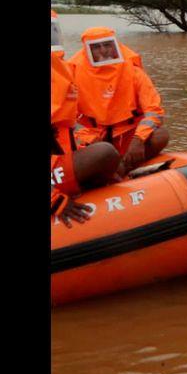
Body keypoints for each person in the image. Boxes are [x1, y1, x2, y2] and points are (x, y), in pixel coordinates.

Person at [69, 27, 171, 177]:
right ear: (86, 50)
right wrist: (92, 140)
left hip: (127, 136)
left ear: (115, 45)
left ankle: (121, 168)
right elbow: (68, 119)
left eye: (107, 45)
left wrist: (138, 139)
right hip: (92, 137)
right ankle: (114, 171)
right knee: (96, 152)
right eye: (96, 47)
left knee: (161, 135)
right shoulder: (72, 74)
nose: (103, 51)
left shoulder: (134, 72)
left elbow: (154, 111)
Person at [51, 13, 119, 226]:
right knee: (105, 153)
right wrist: (54, 200)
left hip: (59, 158)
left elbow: (65, 127)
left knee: (103, 151)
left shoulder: (60, 70)